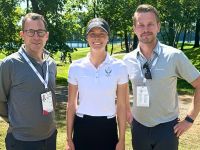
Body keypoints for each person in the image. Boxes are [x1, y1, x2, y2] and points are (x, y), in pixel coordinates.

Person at [123, 4, 200, 150]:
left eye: (150, 24)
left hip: (167, 129)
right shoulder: (127, 60)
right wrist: (127, 112)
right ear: (134, 29)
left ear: (158, 26)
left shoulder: (174, 56)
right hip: (139, 128)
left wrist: (189, 119)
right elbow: (120, 89)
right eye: (140, 25)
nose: (145, 29)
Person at [66, 18, 128, 150]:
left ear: (108, 38)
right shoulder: (75, 67)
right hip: (82, 127)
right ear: (87, 38)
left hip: (108, 127)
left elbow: (122, 106)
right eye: (92, 34)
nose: (97, 38)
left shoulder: (120, 66)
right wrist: (68, 139)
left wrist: (122, 139)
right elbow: (71, 104)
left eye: (102, 34)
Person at [0, 13, 57, 150]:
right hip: (22, 141)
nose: (36, 37)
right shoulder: (9, 64)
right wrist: (15, 121)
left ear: (46, 35)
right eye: (30, 32)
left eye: (40, 32)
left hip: (50, 136)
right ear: (22, 34)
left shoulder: (51, 63)